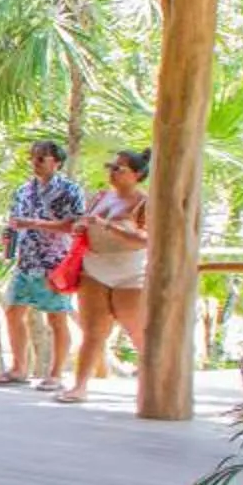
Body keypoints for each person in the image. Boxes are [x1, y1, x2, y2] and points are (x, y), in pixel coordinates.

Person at [0, 139, 85, 388]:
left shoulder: (70, 191)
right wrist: (9, 240)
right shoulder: (23, 191)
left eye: (41, 158)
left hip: (54, 262)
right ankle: (19, 368)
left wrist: (32, 224)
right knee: (13, 311)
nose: (35, 162)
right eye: (32, 157)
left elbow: (74, 225)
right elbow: (14, 223)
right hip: (26, 261)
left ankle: (55, 374)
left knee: (57, 317)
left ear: (57, 162)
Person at [60, 148, 151, 405]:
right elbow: (84, 224)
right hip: (95, 268)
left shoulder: (145, 203)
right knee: (93, 331)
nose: (111, 172)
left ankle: (150, 383)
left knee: (137, 331)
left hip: (130, 273)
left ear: (137, 174)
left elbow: (145, 240)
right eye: (110, 166)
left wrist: (107, 225)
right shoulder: (101, 197)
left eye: (118, 168)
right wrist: (82, 226)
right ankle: (79, 386)